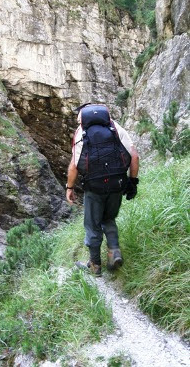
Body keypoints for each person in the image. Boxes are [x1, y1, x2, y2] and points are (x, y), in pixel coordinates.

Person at [66, 103, 139, 276]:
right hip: (117, 184)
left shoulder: (81, 133)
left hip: (94, 187)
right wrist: (132, 182)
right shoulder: (115, 128)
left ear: (83, 117)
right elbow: (134, 156)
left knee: (92, 225)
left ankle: (95, 265)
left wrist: (70, 187)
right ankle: (114, 253)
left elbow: (75, 166)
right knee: (109, 219)